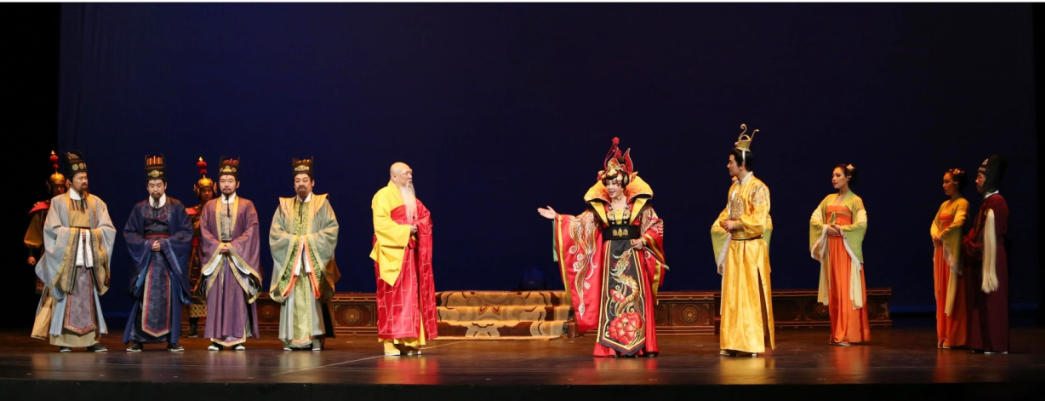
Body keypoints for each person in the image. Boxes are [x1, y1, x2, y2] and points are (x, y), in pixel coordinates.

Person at [539, 138, 667, 357]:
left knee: (636, 297)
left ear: (623, 184)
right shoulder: (601, 209)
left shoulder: (638, 206)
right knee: (611, 299)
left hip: (633, 254)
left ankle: (643, 345)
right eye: (608, 184)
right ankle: (611, 347)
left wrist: (644, 240)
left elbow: (656, 225)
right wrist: (558, 218)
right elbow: (580, 225)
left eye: (615, 183)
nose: (611, 187)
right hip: (611, 256)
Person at [32, 151, 114, 352]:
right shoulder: (58, 203)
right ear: (69, 182)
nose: (85, 181)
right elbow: (51, 230)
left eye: (86, 177)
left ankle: (91, 340)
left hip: (89, 259)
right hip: (67, 261)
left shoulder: (96, 203)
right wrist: (78, 235)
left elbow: (108, 229)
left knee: (89, 298)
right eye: (80, 178)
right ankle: (64, 341)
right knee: (64, 299)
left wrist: (90, 236)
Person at [711, 125, 775, 356]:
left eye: (731, 162)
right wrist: (722, 223)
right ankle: (732, 342)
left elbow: (760, 220)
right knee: (733, 296)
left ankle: (751, 343)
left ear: (742, 164)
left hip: (751, 247)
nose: (728, 165)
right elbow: (727, 212)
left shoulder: (759, 188)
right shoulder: (734, 189)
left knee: (749, 295)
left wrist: (737, 224)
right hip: (736, 247)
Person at [122, 155, 193, 352]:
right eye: (152, 185)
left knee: (170, 299)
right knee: (144, 298)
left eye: (159, 185)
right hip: (147, 260)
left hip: (169, 259)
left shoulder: (176, 206)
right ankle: (138, 339)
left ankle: (172, 340)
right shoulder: (139, 208)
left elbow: (186, 231)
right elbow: (130, 232)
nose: (155, 189)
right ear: (147, 186)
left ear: (165, 185)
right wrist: (147, 245)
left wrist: (165, 244)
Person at [269, 158, 340, 351]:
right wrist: (295, 242)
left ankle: (315, 338)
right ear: (293, 184)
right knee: (292, 297)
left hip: (311, 263)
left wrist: (306, 241)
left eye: (305, 180)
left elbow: (331, 230)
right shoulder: (284, 206)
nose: (301, 184)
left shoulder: (322, 204)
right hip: (291, 263)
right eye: (297, 180)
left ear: (312, 182)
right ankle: (290, 339)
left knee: (313, 298)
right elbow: (275, 233)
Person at [370, 162, 437, 356]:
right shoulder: (383, 195)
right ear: (394, 176)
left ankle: (408, 341)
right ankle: (390, 342)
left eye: (411, 173)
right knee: (392, 298)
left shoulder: (411, 198)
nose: (410, 177)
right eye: (406, 174)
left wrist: (419, 226)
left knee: (411, 297)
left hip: (410, 252)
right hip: (392, 252)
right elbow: (381, 225)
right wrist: (406, 229)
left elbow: (426, 217)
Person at [200, 157, 262, 351]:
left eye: (230, 181)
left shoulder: (247, 205)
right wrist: (218, 246)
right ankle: (216, 339)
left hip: (238, 258)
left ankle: (238, 338)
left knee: (237, 298)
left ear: (237, 183)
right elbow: (203, 231)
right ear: (218, 184)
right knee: (216, 297)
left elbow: (251, 231)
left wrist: (233, 246)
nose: (226, 184)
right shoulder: (210, 206)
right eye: (223, 181)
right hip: (217, 257)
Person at [810, 163, 870, 346]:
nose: (834, 179)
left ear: (848, 177)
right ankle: (837, 332)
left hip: (846, 248)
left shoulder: (855, 201)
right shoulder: (828, 199)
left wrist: (843, 230)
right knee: (835, 289)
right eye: (833, 176)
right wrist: (825, 228)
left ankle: (847, 333)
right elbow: (814, 218)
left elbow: (862, 224)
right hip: (831, 249)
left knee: (846, 289)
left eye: (838, 175)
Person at [962, 155, 1009, 354]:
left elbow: (987, 235)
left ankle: (995, 343)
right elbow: (977, 232)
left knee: (993, 301)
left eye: (980, 177)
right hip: (983, 256)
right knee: (981, 301)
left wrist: (969, 245)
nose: (976, 180)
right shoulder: (987, 203)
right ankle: (982, 342)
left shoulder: (997, 203)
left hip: (992, 257)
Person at [931, 168, 969, 349]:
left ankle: (955, 336)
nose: (944, 185)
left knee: (953, 292)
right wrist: (935, 234)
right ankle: (943, 334)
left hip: (951, 251)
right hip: (941, 251)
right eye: (944, 181)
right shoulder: (944, 205)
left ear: (956, 183)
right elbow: (935, 223)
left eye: (947, 181)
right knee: (942, 291)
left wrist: (943, 235)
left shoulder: (962, 203)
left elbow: (959, 222)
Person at [26, 151, 67, 294]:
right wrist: (31, 253)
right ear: (50, 188)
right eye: (56, 187)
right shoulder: (43, 209)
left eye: (61, 186)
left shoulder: (70, 208)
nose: (59, 190)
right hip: (48, 252)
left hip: (66, 251)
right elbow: (34, 231)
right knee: (48, 290)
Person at [185, 157, 216, 338]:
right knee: (195, 289)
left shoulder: (219, 209)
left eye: (209, 190)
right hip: (197, 254)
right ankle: (193, 326)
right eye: (203, 191)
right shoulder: (191, 212)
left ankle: (217, 325)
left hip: (215, 252)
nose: (206, 194)